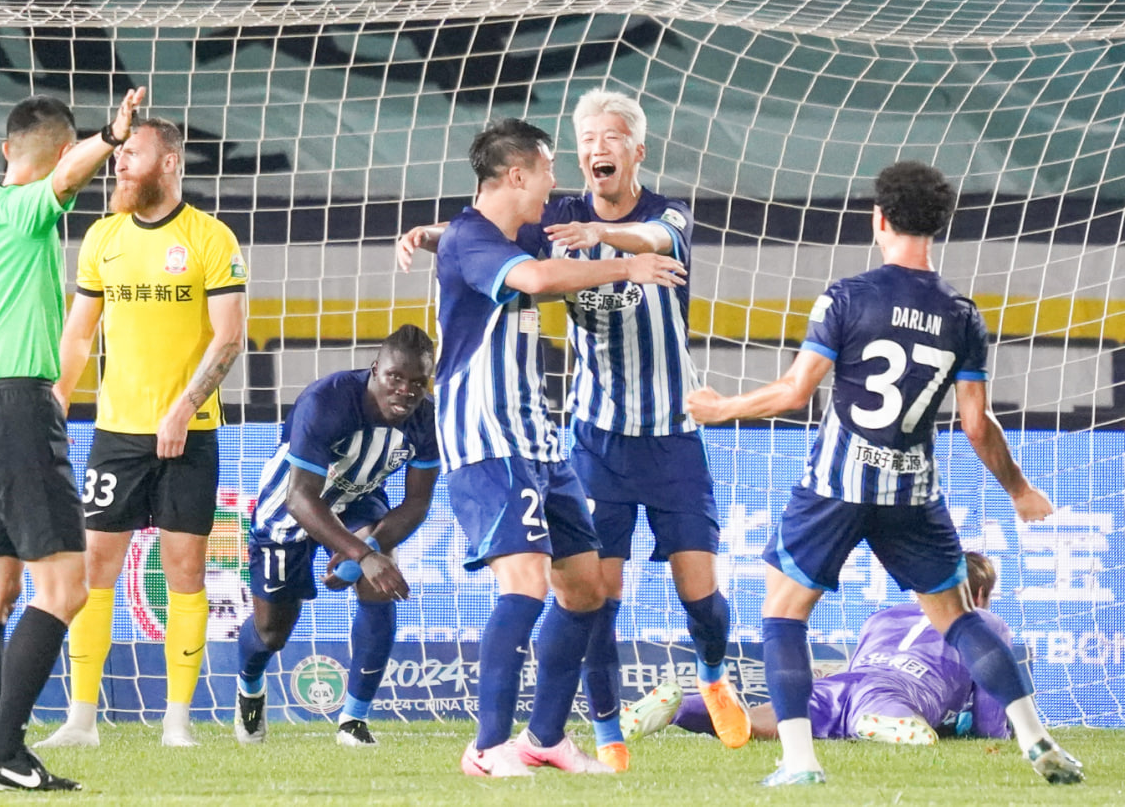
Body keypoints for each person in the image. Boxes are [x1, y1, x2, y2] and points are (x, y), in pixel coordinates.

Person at [685, 160, 1084, 786]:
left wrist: (719, 408)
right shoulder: (962, 315)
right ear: (940, 225)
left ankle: (799, 762)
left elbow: (795, 392)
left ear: (879, 219)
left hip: (836, 487)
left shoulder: (848, 296)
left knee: (784, 615)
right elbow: (978, 426)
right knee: (960, 619)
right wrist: (1020, 490)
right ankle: (1036, 738)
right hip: (911, 491)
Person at [398, 90, 750, 771]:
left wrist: (613, 244)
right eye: (579, 142)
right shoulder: (550, 222)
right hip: (548, 437)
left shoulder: (661, 215)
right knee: (549, 587)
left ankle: (570, 728)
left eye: (610, 137)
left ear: (636, 150)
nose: (589, 154)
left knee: (605, 589)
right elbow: (507, 251)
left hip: (637, 435)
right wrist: (435, 233)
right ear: (527, 173)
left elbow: (651, 241)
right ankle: (525, 743)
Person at [433, 117, 687, 777]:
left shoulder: (507, 233)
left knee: (584, 588)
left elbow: (547, 249)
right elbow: (539, 281)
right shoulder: (473, 239)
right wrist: (628, 264)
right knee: (524, 584)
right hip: (487, 439)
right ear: (518, 174)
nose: (557, 182)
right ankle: (487, 747)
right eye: (548, 170)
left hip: (540, 441)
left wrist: (419, 233)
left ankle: (544, 737)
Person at [0, 86, 144, 792]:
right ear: (62, 155)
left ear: (4, 148)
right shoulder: (25, 209)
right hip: (17, 413)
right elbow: (62, 179)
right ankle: (4, 751)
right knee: (66, 589)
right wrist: (112, 137)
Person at [37, 117, 249, 748]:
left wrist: (185, 407)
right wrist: (57, 400)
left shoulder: (211, 238)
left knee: (185, 570)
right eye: (119, 155)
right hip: (117, 434)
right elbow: (78, 334)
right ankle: (81, 721)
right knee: (93, 569)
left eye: (132, 154)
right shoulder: (102, 237)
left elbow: (229, 335)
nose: (120, 164)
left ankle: (177, 722)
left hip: (190, 431)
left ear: (170, 163)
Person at [233, 325, 439, 747]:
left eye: (417, 383)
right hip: (291, 508)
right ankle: (249, 686)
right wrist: (361, 553)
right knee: (273, 633)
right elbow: (300, 499)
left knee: (381, 584)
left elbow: (417, 503)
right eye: (395, 378)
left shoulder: (427, 419)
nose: (405, 391)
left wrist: (371, 551)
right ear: (375, 370)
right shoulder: (326, 401)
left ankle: (353, 721)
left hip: (359, 501)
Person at [624, 552, 1013, 745]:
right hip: (900, 690)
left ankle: (686, 705)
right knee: (880, 704)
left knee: (767, 720)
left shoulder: (885, 616)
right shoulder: (985, 624)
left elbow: (865, 668)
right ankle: (885, 721)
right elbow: (990, 720)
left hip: (845, 681)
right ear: (979, 594)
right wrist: (986, 734)